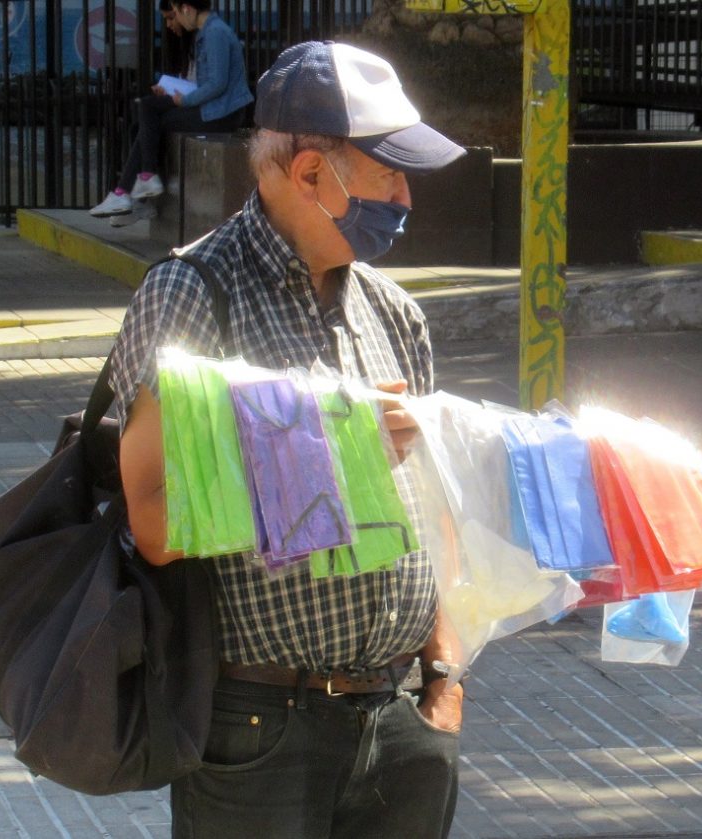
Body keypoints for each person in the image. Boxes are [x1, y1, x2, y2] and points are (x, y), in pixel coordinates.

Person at [109, 40, 466, 838]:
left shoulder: (395, 314)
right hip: (262, 727)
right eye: (390, 173)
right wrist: (332, 454)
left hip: (402, 721)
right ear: (311, 173)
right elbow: (154, 524)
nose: (406, 196)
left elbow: (434, 510)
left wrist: (444, 682)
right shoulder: (194, 295)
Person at [90, 0, 252, 221]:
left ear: (186, 8)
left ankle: (131, 189)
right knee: (147, 110)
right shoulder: (209, 32)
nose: (176, 18)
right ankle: (139, 186)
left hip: (221, 114)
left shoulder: (215, 33)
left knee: (152, 121)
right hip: (214, 108)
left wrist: (184, 101)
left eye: (175, 12)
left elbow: (217, 83)